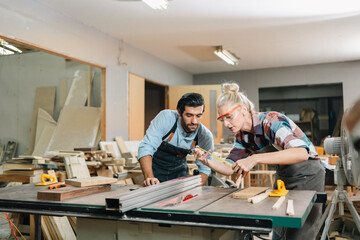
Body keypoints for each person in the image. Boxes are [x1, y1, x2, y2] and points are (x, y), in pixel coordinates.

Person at [193, 82, 325, 240]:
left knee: (299, 232)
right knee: (279, 228)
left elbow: (301, 153)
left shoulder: (271, 121)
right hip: (284, 176)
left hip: (308, 174)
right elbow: (230, 168)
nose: (226, 124)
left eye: (229, 117)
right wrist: (206, 161)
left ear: (243, 110)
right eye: (222, 119)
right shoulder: (243, 136)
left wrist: (254, 158)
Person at [137, 92, 213, 186]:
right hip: (155, 171)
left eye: (198, 116)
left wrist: (195, 189)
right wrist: (149, 177)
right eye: (189, 115)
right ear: (179, 112)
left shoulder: (204, 136)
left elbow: (205, 168)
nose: (194, 121)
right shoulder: (166, 118)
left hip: (180, 174)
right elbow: (146, 147)